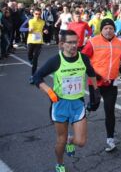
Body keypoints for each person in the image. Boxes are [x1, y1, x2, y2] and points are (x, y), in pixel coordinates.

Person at [33, 30, 97, 172]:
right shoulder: (56, 60)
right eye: (70, 42)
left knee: (80, 142)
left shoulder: (83, 58)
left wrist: (96, 92)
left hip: (78, 104)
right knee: (60, 140)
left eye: (76, 42)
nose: (74, 45)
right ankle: (60, 163)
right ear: (62, 44)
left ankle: (71, 140)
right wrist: (49, 92)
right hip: (60, 104)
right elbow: (37, 77)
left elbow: (92, 73)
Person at [81, 18, 121, 152]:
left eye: (111, 28)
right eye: (106, 28)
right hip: (95, 83)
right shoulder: (93, 42)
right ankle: (89, 107)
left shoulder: (119, 42)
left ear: (114, 29)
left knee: (110, 111)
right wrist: (94, 73)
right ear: (101, 29)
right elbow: (82, 59)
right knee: (95, 106)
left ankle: (110, 140)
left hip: (111, 83)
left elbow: (119, 61)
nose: (109, 30)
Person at [21, 7, 48, 84]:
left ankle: (33, 76)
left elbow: (45, 28)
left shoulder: (43, 21)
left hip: (39, 42)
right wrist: (27, 29)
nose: (37, 15)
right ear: (33, 14)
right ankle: (31, 60)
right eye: (36, 14)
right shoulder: (29, 20)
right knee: (29, 55)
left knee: (35, 59)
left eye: (39, 14)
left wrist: (45, 30)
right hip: (30, 41)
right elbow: (21, 28)